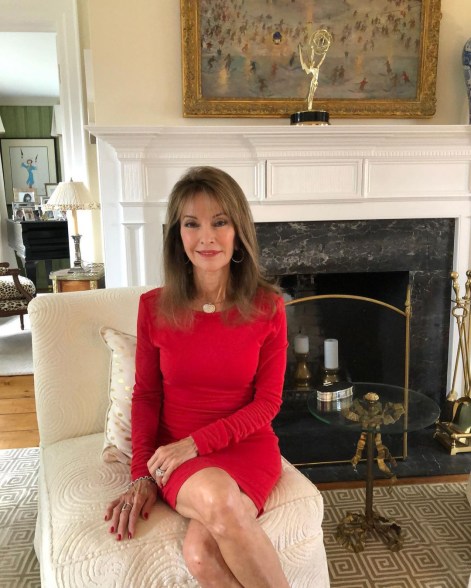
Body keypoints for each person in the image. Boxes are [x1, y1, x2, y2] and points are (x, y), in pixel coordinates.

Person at [104, 166, 290, 587]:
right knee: (219, 499)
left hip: (245, 449)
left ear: (238, 230)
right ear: (177, 235)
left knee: (200, 555)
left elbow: (268, 403)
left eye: (219, 222)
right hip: (181, 461)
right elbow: (147, 395)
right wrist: (141, 474)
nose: (206, 237)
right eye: (192, 224)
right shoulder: (154, 307)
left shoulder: (267, 307)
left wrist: (195, 444)